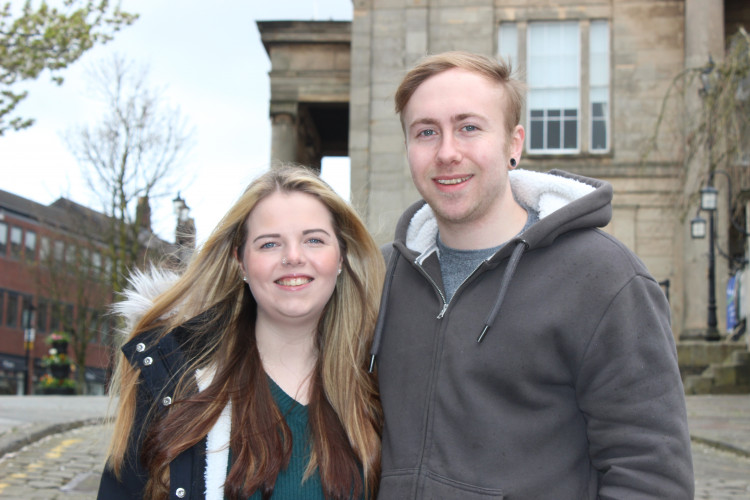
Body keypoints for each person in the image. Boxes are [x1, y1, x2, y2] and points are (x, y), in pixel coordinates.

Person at [368, 51, 694, 498]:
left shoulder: (604, 278)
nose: (447, 152)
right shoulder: (380, 278)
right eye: (426, 132)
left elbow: (651, 474)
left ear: (513, 144)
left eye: (469, 127)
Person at [98, 165, 384, 500]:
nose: (293, 257)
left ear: (341, 256)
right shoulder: (173, 383)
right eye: (269, 244)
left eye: (314, 240)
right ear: (241, 262)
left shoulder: (379, 384)